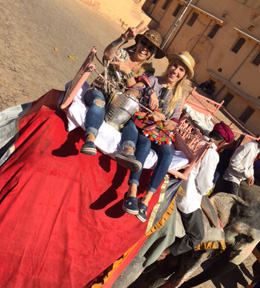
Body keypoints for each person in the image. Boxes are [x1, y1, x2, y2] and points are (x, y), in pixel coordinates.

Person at [115, 51, 195, 223]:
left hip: (159, 129)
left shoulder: (178, 96)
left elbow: (174, 123)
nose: (176, 71)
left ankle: (146, 200)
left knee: (167, 154)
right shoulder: (153, 80)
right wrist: (150, 92)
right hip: (142, 124)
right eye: (175, 65)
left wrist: (163, 118)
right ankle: (132, 191)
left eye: (181, 70)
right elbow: (136, 86)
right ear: (169, 65)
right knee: (143, 144)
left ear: (184, 75)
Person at [80, 22, 165, 155]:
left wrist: (127, 72)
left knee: (131, 126)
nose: (145, 48)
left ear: (152, 54)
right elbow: (107, 54)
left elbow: (136, 90)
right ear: (138, 42)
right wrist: (123, 38)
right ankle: (90, 140)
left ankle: (128, 154)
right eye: (144, 42)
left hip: (119, 106)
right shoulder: (123, 54)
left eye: (150, 48)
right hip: (100, 91)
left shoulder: (148, 71)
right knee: (99, 103)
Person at [157, 122, 234, 260]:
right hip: (186, 197)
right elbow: (204, 185)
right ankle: (164, 252)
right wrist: (209, 187)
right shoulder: (212, 153)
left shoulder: (196, 138)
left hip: (172, 181)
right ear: (222, 142)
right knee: (197, 236)